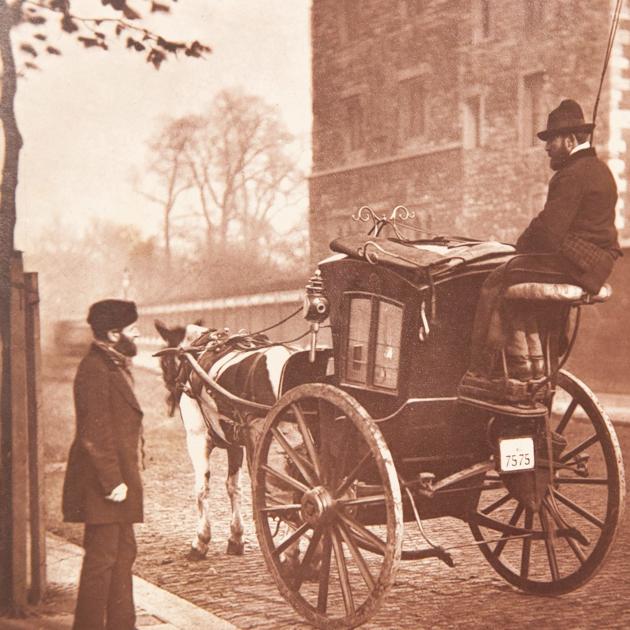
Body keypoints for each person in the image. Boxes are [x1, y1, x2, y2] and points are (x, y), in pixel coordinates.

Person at [459, 99, 622, 402]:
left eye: (552, 141)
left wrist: (519, 246)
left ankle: (481, 370)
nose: (547, 148)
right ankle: (538, 364)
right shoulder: (599, 171)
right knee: (524, 286)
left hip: (576, 263)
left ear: (570, 140)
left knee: (498, 277)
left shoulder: (572, 174)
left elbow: (549, 231)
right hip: (595, 264)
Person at [62, 299, 143, 630]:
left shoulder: (111, 364)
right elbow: (94, 434)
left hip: (117, 481)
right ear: (113, 333)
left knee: (122, 556)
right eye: (132, 329)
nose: (137, 333)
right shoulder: (94, 369)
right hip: (104, 484)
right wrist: (113, 482)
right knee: (101, 561)